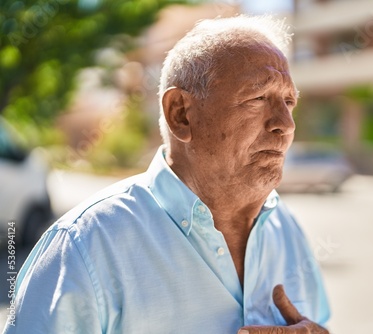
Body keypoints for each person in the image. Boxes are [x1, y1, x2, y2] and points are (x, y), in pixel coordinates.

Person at [4, 15, 330, 333]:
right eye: (258, 98)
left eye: (288, 102)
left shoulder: (286, 230)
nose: (285, 125)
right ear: (181, 115)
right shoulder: (84, 249)